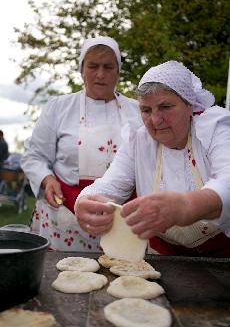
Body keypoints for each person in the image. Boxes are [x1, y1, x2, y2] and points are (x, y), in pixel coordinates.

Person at [75, 60, 230, 257]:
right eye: (146, 110)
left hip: (223, 259)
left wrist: (185, 206)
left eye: (165, 106)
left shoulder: (215, 127)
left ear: (189, 105)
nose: (155, 120)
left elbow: (228, 181)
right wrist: (85, 201)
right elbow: (110, 184)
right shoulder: (139, 141)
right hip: (164, 258)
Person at [20, 36, 143, 251]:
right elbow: (34, 156)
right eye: (93, 66)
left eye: (108, 67)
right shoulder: (58, 107)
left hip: (121, 215)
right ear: (81, 70)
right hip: (65, 213)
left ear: (118, 71)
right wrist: (47, 179)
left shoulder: (138, 111)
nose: (101, 74)